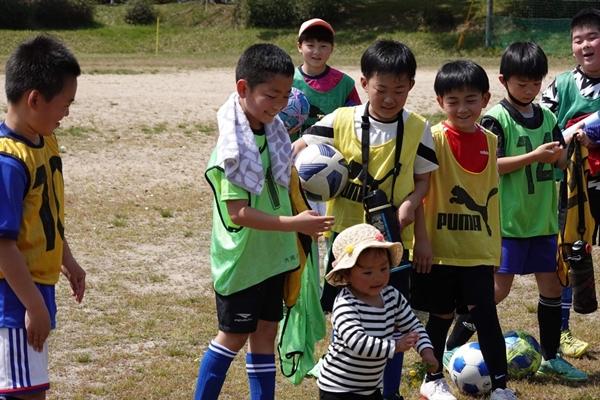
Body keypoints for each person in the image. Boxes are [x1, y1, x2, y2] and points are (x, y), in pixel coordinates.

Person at [293, 39, 438, 400]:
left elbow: (424, 181)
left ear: (411, 87)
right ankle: (342, 380)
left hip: (390, 243)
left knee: (392, 317)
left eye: (399, 90)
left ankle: (388, 393)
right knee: (346, 316)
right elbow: (299, 151)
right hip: (347, 244)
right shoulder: (341, 119)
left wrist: (411, 206)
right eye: (381, 89)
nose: (390, 98)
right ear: (363, 83)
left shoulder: (418, 127)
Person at [194, 43, 334, 400]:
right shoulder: (232, 148)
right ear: (243, 89)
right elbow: (238, 212)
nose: (279, 104)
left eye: (286, 95)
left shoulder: (274, 133)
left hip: (272, 255)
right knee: (234, 336)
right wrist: (295, 224)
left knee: (266, 332)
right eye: (271, 96)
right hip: (242, 262)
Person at [411, 59, 517, 400]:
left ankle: (501, 387)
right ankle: (431, 379)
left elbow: (492, 200)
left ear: (485, 99)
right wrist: (421, 241)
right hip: (439, 252)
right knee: (440, 315)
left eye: (470, 99)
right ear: (440, 102)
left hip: (476, 252)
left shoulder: (489, 139)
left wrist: (493, 247)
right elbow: (420, 191)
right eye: (452, 101)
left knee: (486, 316)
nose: (462, 108)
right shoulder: (434, 139)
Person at [0, 34, 86, 400]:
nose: (67, 112)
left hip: (35, 290)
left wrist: (67, 259)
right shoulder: (9, 163)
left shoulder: (45, 140)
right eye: (65, 103)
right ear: (34, 99)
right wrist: (33, 305)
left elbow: (46, 212)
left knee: (31, 390)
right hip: (15, 298)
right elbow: (3, 246)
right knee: (25, 394)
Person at [317, 223, 437, 400]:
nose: (378, 277)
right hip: (338, 388)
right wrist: (395, 346)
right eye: (367, 272)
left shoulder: (391, 296)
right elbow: (357, 342)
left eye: (383, 268)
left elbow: (413, 325)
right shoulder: (346, 303)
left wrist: (426, 351)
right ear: (347, 274)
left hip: (370, 387)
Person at [541, 7, 600, 359]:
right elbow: (546, 129)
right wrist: (570, 138)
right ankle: (562, 331)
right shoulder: (562, 84)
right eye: (578, 40)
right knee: (568, 253)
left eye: (592, 37)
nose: (585, 45)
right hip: (572, 184)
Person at [294, 18, 361, 137]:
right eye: (310, 45)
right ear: (299, 46)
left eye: (323, 46)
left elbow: (356, 119)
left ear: (332, 48)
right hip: (293, 151)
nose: (316, 51)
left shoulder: (345, 83)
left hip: (332, 152)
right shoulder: (288, 80)